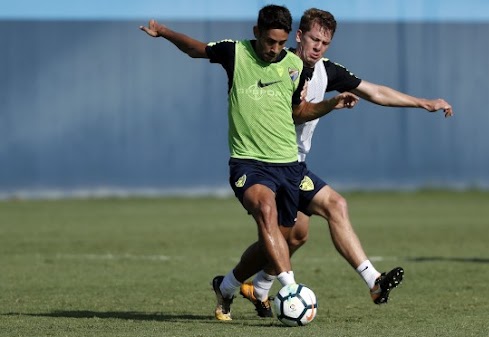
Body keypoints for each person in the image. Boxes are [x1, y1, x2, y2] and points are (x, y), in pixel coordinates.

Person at [139, 5, 359, 321]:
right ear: (256, 33)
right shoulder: (235, 52)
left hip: (287, 166)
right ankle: (291, 290)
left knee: (286, 237)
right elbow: (195, 49)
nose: (275, 49)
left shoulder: (294, 66)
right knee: (265, 210)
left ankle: (227, 286)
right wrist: (165, 33)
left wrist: (331, 104)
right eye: (270, 41)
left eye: (281, 43)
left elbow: (299, 112)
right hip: (248, 164)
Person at [232, 8, 454, 318]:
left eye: (325, 42)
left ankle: (372, 281)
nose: (318, 46)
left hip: (295, 165)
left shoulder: (327, 72)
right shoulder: (277, 64)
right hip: (265, 165)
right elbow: (291, 110)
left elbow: (375, 91)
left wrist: (423, 102)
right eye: (313, 38)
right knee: (287, 235)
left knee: (314, 221)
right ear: (299, 36)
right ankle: (236, 285)